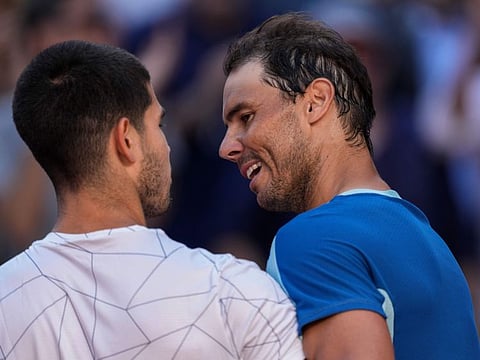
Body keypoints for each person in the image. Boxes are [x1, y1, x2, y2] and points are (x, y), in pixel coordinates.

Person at [0, 40, 304, 360]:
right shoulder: (234, 291)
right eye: (158, 124)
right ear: (126, 139)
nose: (168, 145)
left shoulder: (6, 297)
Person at [218, 12, 480, 360]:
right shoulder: (431, 243)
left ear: (315, 102)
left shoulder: (314, 239)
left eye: (246, 116)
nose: (227, 147)